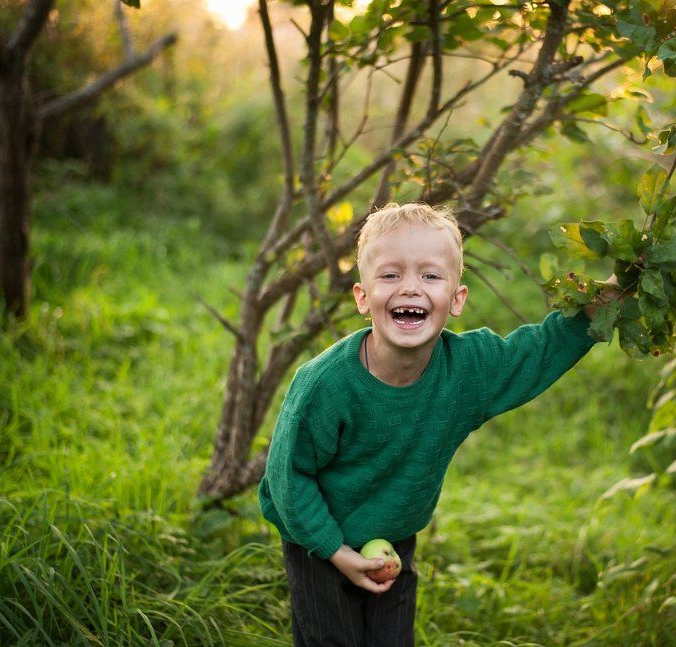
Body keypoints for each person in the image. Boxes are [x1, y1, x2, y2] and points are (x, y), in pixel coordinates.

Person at [259, 202, 613, 646]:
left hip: (393, 538)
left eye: (430, 276)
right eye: (391, 275)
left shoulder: (466, 370)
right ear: (363, 297)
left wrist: (608, 296)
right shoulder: (325, 385)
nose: (410, 288)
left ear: (457, 299)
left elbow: (537, 351)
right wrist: (335, 550)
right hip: (317, 539)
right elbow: (287, 477)